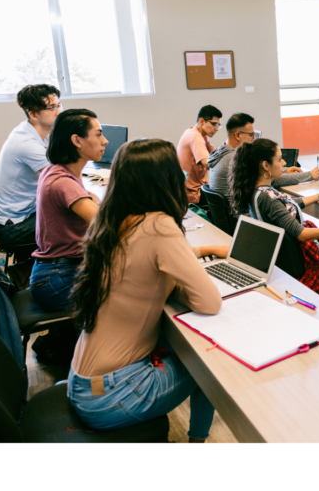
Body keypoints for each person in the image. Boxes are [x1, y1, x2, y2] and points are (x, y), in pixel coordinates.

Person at [68, 138, 229, 441]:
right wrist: (179, 287)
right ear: (166, 179)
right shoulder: (159, 225)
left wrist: (177, 277)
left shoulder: (110, 219)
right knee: (209, 361)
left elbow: (146, 262)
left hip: (82, 382)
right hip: (113, 395)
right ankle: (198, 442)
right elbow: (209, 303)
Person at [228, 139, 319, 306]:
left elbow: (288, 206)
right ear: (265, 165)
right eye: (279, 159)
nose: (284, 163)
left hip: (288, 254)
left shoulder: (258, 191)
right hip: (303, 257)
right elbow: (301, 234)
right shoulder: (269, 198)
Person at [30, 108, 107, 312]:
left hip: (53, 272)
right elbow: (107, 224)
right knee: (136, 293)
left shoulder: (56, 171)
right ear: (77, 140)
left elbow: (92, 202)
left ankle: (59, 340)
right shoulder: (64, 182)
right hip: (59, 280)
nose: (105, 141)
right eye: (99, 135)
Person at [0, 84, 61, 255]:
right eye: (52, 107)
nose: (59, 112)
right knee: (77, 223)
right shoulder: (26, 144)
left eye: (59, 105)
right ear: (34, 114)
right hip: (14, 228)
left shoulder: (35, 132)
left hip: (25, 214)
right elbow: (59, 181)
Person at [207, 112, 319, 198]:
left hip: (231, 217)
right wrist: (309, 175)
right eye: (251, 135)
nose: (254, 139)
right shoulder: (235, 159)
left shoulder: (221, 151)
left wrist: (284, 170)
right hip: (243, 217)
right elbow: (270, 179)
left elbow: (262, 172)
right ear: (237, 135)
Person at [178, 105, 222, 206]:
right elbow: (208, 164)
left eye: (218, 125)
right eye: (214, 124)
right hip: (192, 194)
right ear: (202, 121)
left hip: (191, 190)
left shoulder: (196, 133)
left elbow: (215, 154)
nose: (217, 129)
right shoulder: (195, 137)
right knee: (228, 199)